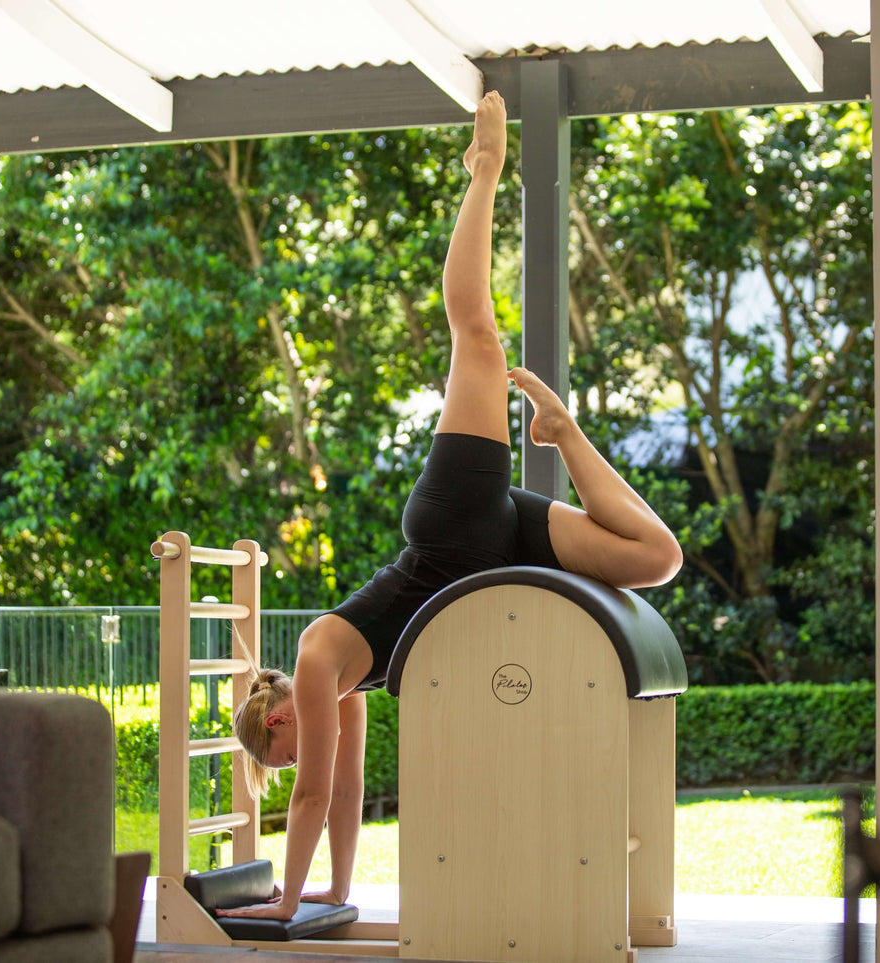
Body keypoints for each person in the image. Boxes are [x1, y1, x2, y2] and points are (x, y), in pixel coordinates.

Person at [218, 90, 682, 922]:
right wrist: (333, 892)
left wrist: (283, 900)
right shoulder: (345, 682)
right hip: (497, 553)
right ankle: (565, 434)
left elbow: (316, 791)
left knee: (477, 334)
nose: (294, 758)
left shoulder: (321, 657)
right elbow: (353, 788)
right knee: (657, 559)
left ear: (280, 715)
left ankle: (485, 172)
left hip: (455, 527)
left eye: (279, 749)